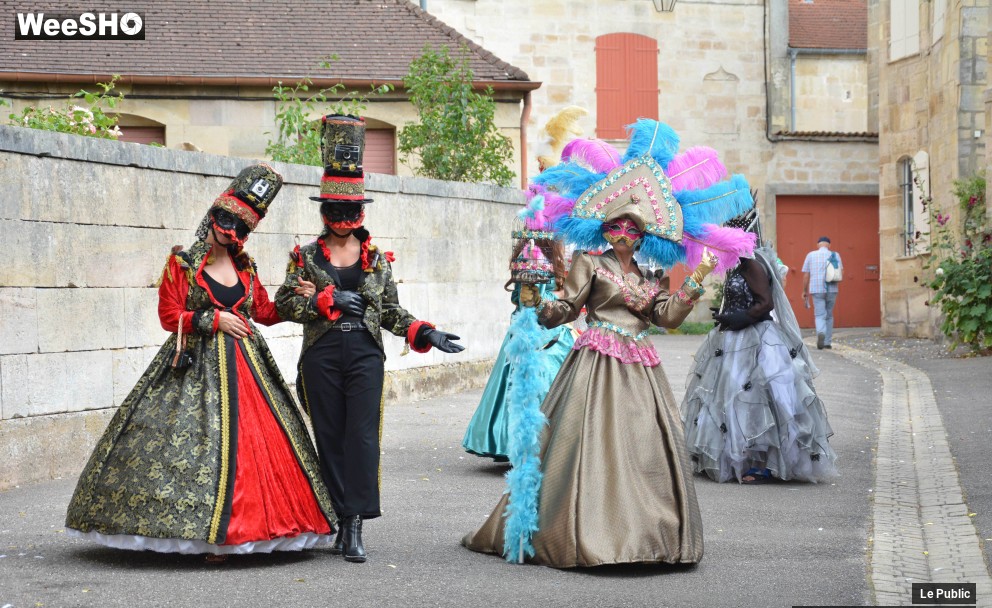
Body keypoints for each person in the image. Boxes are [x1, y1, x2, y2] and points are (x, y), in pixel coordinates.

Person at [462, 120, 756, 567]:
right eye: (616, 225)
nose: (623, 234)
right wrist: (536, 301)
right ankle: (586, 532)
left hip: (641, 369)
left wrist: (695, 281)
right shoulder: (589, 262)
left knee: (644, 448)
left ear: (645, 235)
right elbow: (565, 308)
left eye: (632, 229)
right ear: (604, 227)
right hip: (595, 365)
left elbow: (665, 318)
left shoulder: (650, 275)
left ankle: (647, 537)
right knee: (587, 447)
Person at [66, 164, 337, 559]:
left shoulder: (245, 266)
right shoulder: (182, 263)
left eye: (241, 227)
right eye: (227, 221)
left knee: (255, 447)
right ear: (213, 216)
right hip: (193, 369)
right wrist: (213, 319)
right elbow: (168, 315)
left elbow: (265, 311)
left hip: (249, 369)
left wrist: (308, 297)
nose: (231, 231)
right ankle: (207, 536)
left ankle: (249, 530)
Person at [275, 115, 464, 564]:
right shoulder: (304, 256)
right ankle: (340, 519)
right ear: (324, 211)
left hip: (364, 352)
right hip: (321, 353)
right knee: (329, 435)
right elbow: (284, 303)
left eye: (350, 212)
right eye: (335, 211)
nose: (342, 220)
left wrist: (426, 332)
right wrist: (325, 299)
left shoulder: (377, 259)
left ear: (361, 212)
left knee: (361, 437)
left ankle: (356, 523)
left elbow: (391, 311)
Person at [683, 205, 837, 484]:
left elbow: (765, 304)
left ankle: (761, 463)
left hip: (756, 338)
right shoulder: (738, 264)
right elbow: (742, 298)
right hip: (734, 338)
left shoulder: (752, 263)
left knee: (755, 395)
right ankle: (738, 457)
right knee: (731, 393)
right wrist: (727, 313)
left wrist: (738, 317)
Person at [461, 235, 575, 462]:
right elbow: (528, 301)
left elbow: (518, 296)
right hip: (538, 331)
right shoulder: (534, 254)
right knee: (534, 386)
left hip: (543, 327)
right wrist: (560, 296)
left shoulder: (537, 253)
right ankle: (533, 446)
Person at [801, 236, 842, 349]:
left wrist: (804, 291)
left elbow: (806, 275)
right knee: (829, 315)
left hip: (816, 289)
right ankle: (827, 342)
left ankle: (821, 332)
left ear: (818, 244)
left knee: (819, 315)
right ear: (829, 245)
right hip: (832, 288)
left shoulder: (811, 255)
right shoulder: (835, 255)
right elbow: (841, 272)